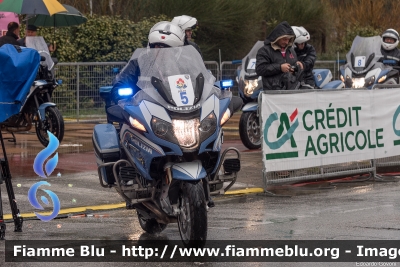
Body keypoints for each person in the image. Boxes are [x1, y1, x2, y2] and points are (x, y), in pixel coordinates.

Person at [255, 21, 303, 90]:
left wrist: (296, 68)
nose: (287, 42)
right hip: (272, 92)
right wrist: (280, 68)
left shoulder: (291, 50)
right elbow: (260, 69)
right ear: (277, 37)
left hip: (291, 91)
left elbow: (293, 70)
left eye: (288, 39)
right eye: (284, 39)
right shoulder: (264, 51)